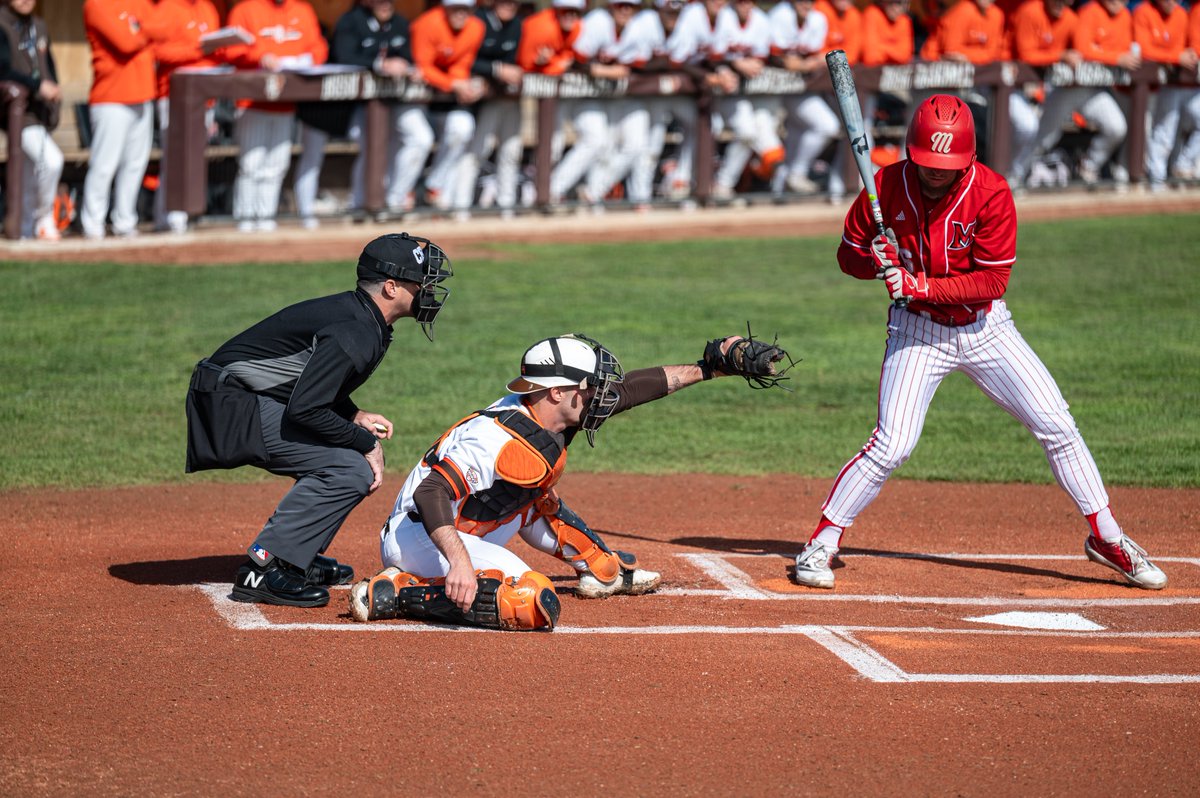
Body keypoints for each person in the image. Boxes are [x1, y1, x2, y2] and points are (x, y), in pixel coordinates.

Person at [790, 95, 1168, 593]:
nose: (934, 174)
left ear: (968, 157)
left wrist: (917, 283)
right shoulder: (883, 186)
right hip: (918, 331)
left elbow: (991, 284)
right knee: (892, 444)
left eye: (945, 166)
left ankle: (1107, 537)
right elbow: (848, 257)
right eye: (926, 164)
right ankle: (823, 540)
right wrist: (871, 257)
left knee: (1057, 425)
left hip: (986, 330)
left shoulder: (991, 192)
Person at [350, 330, 791, 630]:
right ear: (557, 391)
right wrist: (461, 561)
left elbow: (636, 389)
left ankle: (601, 571)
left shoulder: (557, 411)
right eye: (589, 385)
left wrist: (709, 368)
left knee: (538, 497)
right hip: (422, 536)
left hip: (473, 522)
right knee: (531, 600)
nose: (598, 394)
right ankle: (395, 592)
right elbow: (432, 493)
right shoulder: (491, 437)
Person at [185, 233, 455, 608]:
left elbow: (308, 384)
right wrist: (365, 442)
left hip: (241, 396)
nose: (428, 290)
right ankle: (264, 567)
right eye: (420, 282)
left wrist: (353, 414)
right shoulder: (356, 331)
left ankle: (297, 558)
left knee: (345, 461)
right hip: (229, 405)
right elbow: (305, 410)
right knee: (349, 469)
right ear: (391, 287)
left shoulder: (363, 318)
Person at [224, 0, 328, 232]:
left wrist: (309, 59)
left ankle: (266, 217)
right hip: (252, 100)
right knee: (252, 163)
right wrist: (261, 56)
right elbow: (230, 48)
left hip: (285, 100)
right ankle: (245, 219)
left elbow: (318, 47)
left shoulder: (302, 10)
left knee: (277, 164)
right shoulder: (245, 9)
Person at [146, 0, 226, 234]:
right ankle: (170, 217)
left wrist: (218, 48)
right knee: (174, 158)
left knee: (191, 159)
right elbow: (156, 50)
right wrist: (196, 49)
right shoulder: (166, 7)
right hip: (173, 94)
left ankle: (172, 216)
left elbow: (212, 51)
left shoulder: (208, 8)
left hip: (204, 96)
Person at [80, 0, 157, 240]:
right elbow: (125, 42)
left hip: (144, 94)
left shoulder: (141, 3)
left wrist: (143, 30)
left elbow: (161, 32)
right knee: (105, 165)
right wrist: (149, 31)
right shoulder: (96, 5)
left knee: (135, 164)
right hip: (111, 97)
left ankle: (124, 220)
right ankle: (93, 223)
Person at [411, 0, 487, 217]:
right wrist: (453, 83)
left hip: (447, 100)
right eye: (456, 8)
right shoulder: (427, 23)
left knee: (462, 128)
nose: (461, 13)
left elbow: (461, 64)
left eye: (466, 8)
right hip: (413, 99)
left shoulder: (476, 27)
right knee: (417, 141)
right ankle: (397, 201)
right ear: (445, 8)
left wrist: (463, 83)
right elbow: (423, 65)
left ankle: (434, 186)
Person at [0, 0, 64, 241]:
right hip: (16, 112)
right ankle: (43, 217)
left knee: (28, 172)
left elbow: (48, 66)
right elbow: (2, 69)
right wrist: (38, 86)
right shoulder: (2, 23)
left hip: (39, 112)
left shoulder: (38, 25)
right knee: (52, 160)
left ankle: (26, 227)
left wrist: (53, 87)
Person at [710, 0, 786, 200]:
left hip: (748, 92)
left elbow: (762, 57)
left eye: (749, 2)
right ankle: (712, 184)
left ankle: (728, 184)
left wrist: (751, 64)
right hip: (718, 91)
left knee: (759, 139)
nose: (745, 6)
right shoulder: (723, 17)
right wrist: (735, 63)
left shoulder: (760, 20)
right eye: (741, 2)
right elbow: (710, 55)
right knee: (734, 131)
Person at [1059, 0, 1139, 187]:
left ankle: (1088, 166)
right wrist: (1115, 57)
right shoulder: (1089, 11)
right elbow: (1082, 49)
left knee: (1116, 127)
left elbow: (1126, 51)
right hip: (1068, 87)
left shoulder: (1126, 16)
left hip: (1095, 90)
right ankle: (1017, 175)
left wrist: (1114, 55)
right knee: (1044, 137)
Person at [459, 0, 527, 219]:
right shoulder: (477, 21)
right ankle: (460, 207)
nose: (508, 5)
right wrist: (496, 70)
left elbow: (518, 60)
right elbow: (465, 59)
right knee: (478, 151)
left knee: (511, 151)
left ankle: (507, 206)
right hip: (481, 100)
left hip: (507, 97)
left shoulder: (516, 25)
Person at [768, 0, 841, 197]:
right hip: (771, 90)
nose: (805, 4)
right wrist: (798, 64)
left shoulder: (818, 19)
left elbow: (815, 56)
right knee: (823, 126)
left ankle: (787, 183)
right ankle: (792, 176)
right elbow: (775, 57)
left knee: (806, 131)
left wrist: (805, 63)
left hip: (799, 89)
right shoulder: (780, 15)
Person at [1005, 0, 1080, 189]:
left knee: (1045, 131)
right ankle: (1006, 175)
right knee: (1027, 126)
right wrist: (1061, 55)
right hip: (1007, 84)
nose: (1061, 3)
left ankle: (1016, 175)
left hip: (1039, 86)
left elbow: (1080, 51)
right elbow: (1026, 55)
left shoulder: (1070, 18)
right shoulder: (1030, 11)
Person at [1134, 0, 1197, 192]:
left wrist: (1186, 54)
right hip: (1159, 87)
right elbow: (1144, 50)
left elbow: (1189, 48)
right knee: (1164, 134)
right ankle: (1157, 181)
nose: (1171, 1)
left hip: (1184, 85)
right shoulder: (1144, 11)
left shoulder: (1181, 14)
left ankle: (1183, 166)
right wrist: (1176, 56)